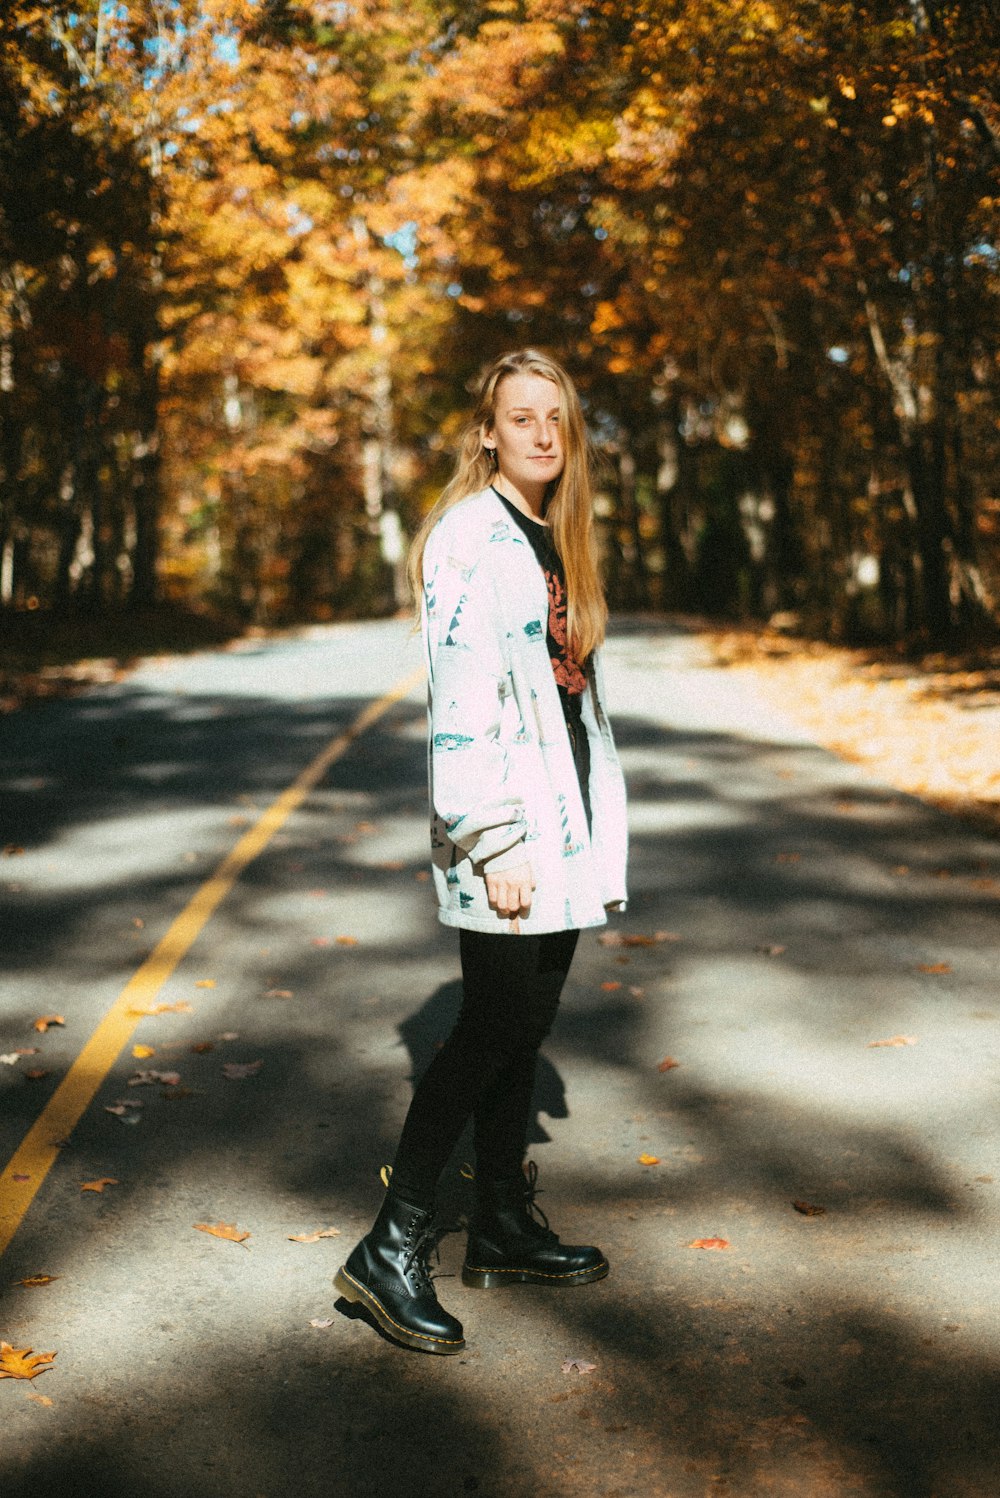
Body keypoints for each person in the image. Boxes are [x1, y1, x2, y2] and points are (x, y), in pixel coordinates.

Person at [334, 348, 628, 1354]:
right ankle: (390, 1245)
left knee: (525, 1024)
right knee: (491, 1024)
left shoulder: (550, 535)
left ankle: (499, 1222)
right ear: (488, 432)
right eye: (522, 416)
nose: (543, 433)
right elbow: (459, 703)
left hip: (561, 821)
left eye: (556, 417)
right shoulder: (468, 537)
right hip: (501, 829)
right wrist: (493, 836)